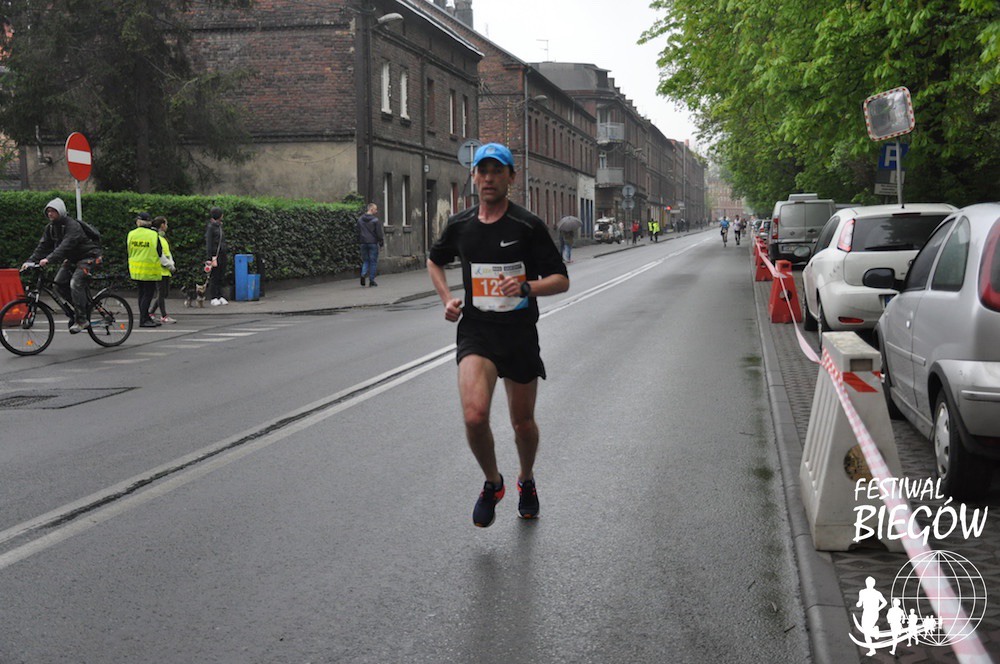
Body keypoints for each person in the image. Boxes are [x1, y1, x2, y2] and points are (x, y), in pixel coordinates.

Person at [426, 142, 570, 528]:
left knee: (522, 423)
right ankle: (493, 483)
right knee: (475, 416)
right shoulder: (460, 225)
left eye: (497, 171)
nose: (489, 178)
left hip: (519, 334)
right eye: (483, 171)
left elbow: (561, 280)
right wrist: (447, 299)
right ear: (473, 176)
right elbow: (434, 260)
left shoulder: (527, 226)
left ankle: (526, 479)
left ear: (510, 177)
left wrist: (526, 287)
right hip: (477, 331)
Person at [23, 197, 102, 334]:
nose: (50, 214)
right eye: (48, 211)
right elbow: (42, 247)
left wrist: (48, 259)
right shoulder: (50, 228)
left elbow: (65, 245)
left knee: (75, 283)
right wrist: (29, 261)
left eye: (53, 211)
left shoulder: (72, 226)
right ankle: (81, 308)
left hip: (88, 257)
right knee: (58, 284)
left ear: (60, 211)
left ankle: (82, 319)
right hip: (72, 258)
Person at [127, 212, 164, 328]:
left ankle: (146, 317)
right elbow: (159, 251)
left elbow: (129, 249)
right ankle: (143, 319)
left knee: (141, 294)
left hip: (136, 268)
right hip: (149, 269)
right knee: (148, 295)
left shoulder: (131, 234)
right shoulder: (153, 234)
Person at [148, 216, 176, 324]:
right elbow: (160, 255)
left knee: (164, 293)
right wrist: (169, 265)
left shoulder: (162, 238)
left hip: (165, 270)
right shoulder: (157, 237)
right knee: (161, 293)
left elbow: (167, 253)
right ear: (162, 225)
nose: (167, 226)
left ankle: (151, 312)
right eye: (166, 224)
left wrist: (171, 264)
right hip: (160, 269)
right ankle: (164, 316)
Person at [856, 576, 888, 656]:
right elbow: (860, 603)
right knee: (866, 631)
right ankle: (874, 630)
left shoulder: (872, 593)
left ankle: (872, 649)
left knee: (866, 633)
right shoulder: (865, 592)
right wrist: (878, 608)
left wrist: (878, 608)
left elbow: (884, 602)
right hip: (869, 612)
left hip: (871, 612)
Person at [205, 206, 228, 305]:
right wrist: (209, 258)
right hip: (215, 255)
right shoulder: (211, 227)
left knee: (221, 275)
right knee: (214, 276)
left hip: (222, 254)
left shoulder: (219, 226)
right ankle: (214, 297)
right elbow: (209, 243)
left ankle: (220, 295)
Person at [357, 203, 384, 287]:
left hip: (363, 243)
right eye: (375, 209)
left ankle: (363, 274)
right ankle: (371, 280)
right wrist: (381, 243)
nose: (376, 211)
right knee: (373, 262)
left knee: (365, 260)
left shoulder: (360, 220)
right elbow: (379, 233)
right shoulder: (375, 220)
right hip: (372, 243)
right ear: (371, 209)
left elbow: (358, 231)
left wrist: (360, 241)